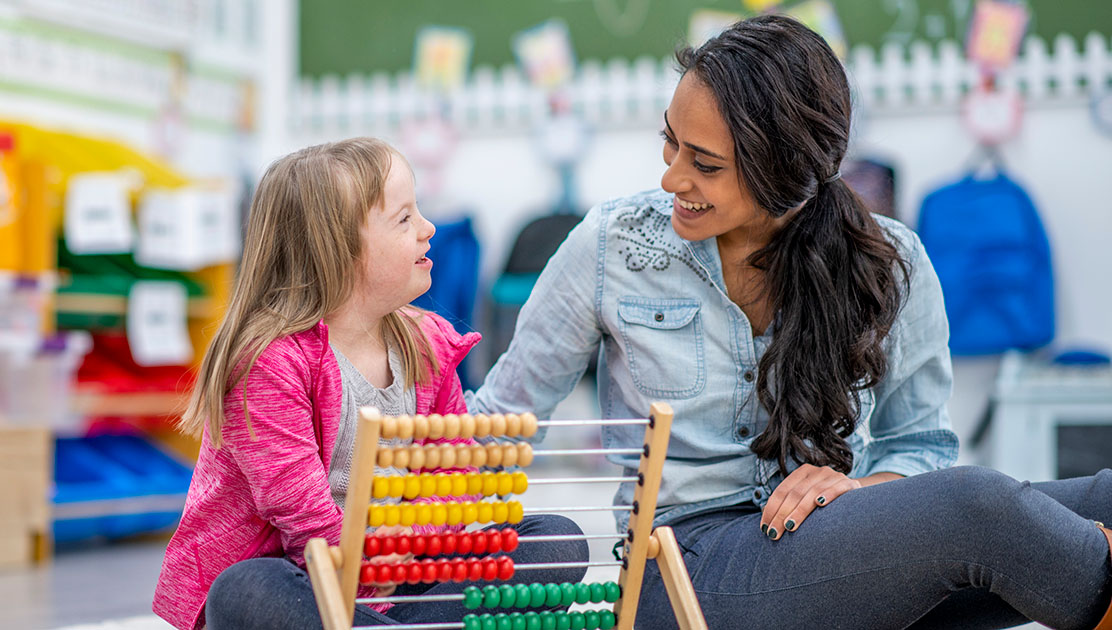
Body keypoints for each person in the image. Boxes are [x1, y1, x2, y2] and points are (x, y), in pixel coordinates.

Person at [467, 16, 1112, 630]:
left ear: (788, 174)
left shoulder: (891, 263)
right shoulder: (613, 246)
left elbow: (921, 448)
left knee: (1098, 501)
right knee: (981, 512)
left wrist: (858, 489)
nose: (671, 177)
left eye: (705, 164)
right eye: (670, 141)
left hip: (829, 554)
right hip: (682, 570)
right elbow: (501, 413)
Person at [153, 138, 587, 630]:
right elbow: (307, 525)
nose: (429, 229)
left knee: (554, 542)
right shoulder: (269, 363)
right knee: (244, 589)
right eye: (404, 219)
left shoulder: (428, 344)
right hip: (306, 581)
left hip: (398, 578)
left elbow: (448, 482)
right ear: (337, 250)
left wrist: (402, 554)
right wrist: (371, 573)